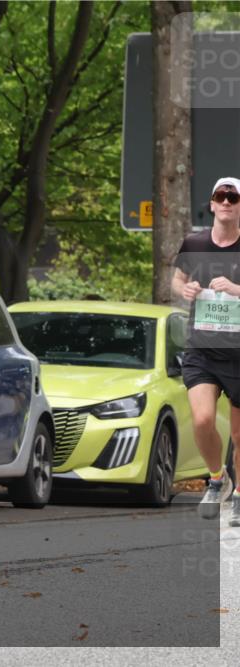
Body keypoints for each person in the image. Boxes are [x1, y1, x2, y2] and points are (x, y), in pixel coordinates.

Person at [172, 176, 240, 526]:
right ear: (212, 204)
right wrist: (186, 290)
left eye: (233, 196)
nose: (227, 202)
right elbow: (178, 278)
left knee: (239, 435)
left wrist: (236, 289)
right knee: (201, 419)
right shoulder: (195, 243)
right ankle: (217, 479)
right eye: (220, 196)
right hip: (203, 348)